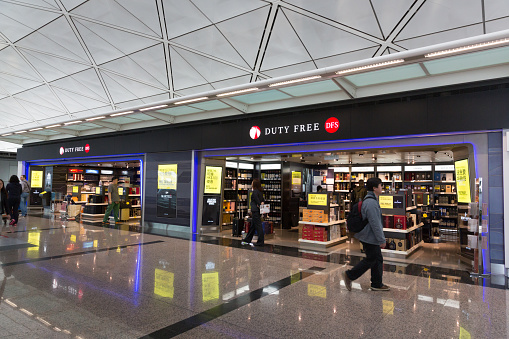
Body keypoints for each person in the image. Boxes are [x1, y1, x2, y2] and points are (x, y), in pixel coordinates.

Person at [343, 177, 390, 291]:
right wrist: (381, 239)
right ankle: (349, 275)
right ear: (374, 188)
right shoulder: (371, 203)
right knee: (371, 259)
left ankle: (376, 283)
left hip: (369, 235)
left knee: (377, 258)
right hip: (369, 236)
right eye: (380, 185)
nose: (382, 187)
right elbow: (375, 223)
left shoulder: (371, 200)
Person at [242, 178, 265, 247]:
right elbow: (262, 200)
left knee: (258, 226)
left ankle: (260, 241)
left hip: (255, 210)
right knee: (253, 226)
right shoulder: (260, 191)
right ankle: (247, 239)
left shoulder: (255, 191)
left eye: (252, 183)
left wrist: (259, 204)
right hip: (258, 211)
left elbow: (257, 200)